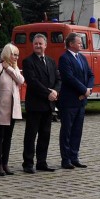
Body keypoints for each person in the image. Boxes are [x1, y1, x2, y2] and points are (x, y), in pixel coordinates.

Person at [21, 34, 59, 173]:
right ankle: (28, 163)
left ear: (45, 45)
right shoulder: (28, 61)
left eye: (40, 43)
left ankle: (41, 162)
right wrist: (48, 93)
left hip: (48, 105)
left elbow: (58, 78)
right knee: (31, 135)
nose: (38, 45)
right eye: (35, 43)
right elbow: (32, 81)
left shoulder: (50, 61)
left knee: (45, 135)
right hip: (35, 104)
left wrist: (55, 91)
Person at [57, 32, 94, 169]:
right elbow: (68, 77)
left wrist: (89, 88)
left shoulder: (82, 58)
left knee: (77, 130)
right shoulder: (64, 58)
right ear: (71, 44)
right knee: (67, 130)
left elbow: (91, 74)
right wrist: (83, 89)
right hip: (69, 101)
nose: (81, 45)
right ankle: (66, 159)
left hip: (81, 102)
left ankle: (74, 156)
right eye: (79, 43)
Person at [0, 43, 24, 176]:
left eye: (17, 55)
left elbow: (21, 80)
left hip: (13, 108)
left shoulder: (15, 69)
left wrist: (10, 69)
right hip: (1, 107)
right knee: (0, 136)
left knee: (8, 137)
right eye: (13, 54)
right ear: (6, 53)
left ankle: (5, 163)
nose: (16, 57)